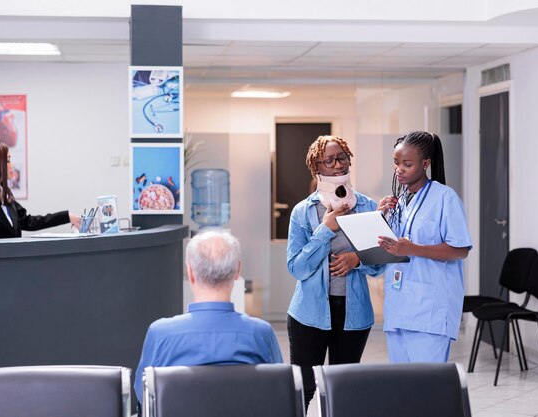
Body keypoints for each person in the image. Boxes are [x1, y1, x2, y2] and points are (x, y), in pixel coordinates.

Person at [287, 135, 383, 410]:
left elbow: (379, 264)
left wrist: (357, 259)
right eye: (328, 160)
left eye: (342, 157)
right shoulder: (303, 212)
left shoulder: (366, 206)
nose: (338, 165)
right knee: (303, 389)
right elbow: (297, 267)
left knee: (343, 390)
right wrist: (325, 229)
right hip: (309, 313)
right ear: (316, 167)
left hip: (354, 314)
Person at [134, 230, 283, 404]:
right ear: (237, 271)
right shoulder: (261, 334)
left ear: (190, 273)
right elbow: (279, 396)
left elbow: (143, 400)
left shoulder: (160, 335)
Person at [377, 131, 472, 363]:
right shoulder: (399, 202)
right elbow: (386, 249)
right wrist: (379, 217)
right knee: (402, 388)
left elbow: (460, 250)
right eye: (396, 163)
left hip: (430, 311)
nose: (399, 169)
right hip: (399, 307)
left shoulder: (445, 198)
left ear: (426, 163)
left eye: (407, 164)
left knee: (427, 388)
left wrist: (413, 249)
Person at [0, 140, 80, 239]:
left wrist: (67, 216)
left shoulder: (4, 194)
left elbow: (27, 222)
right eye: (8, 160)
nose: (12, 166)